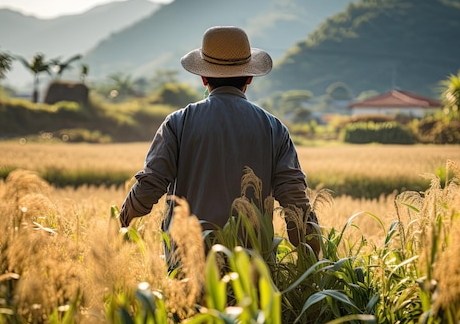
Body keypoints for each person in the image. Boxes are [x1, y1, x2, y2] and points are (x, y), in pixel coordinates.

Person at [119, 26, 320, 259]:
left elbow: (149, 186)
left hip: (188, 267)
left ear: (203, 78)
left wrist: (121, 224)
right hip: (254, 273)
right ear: (250, 78)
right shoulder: (274, 129)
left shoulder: (178, 123)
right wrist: (313, 258)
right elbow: (295, 202)